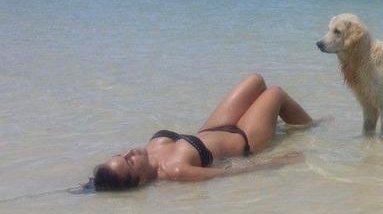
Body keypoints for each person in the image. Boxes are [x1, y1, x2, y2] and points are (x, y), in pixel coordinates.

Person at [84, 73, 313, 191]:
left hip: (210, 129)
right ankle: (315, 130)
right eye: (129, 162)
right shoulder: (174, 171)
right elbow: (227, 173)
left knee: (256, 80)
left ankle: (296, 126)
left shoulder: (148, 152)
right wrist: (279, 161)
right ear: (140, 180)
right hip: (245, 140)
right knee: (275, 93)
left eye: (121, 155)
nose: (129, 153)